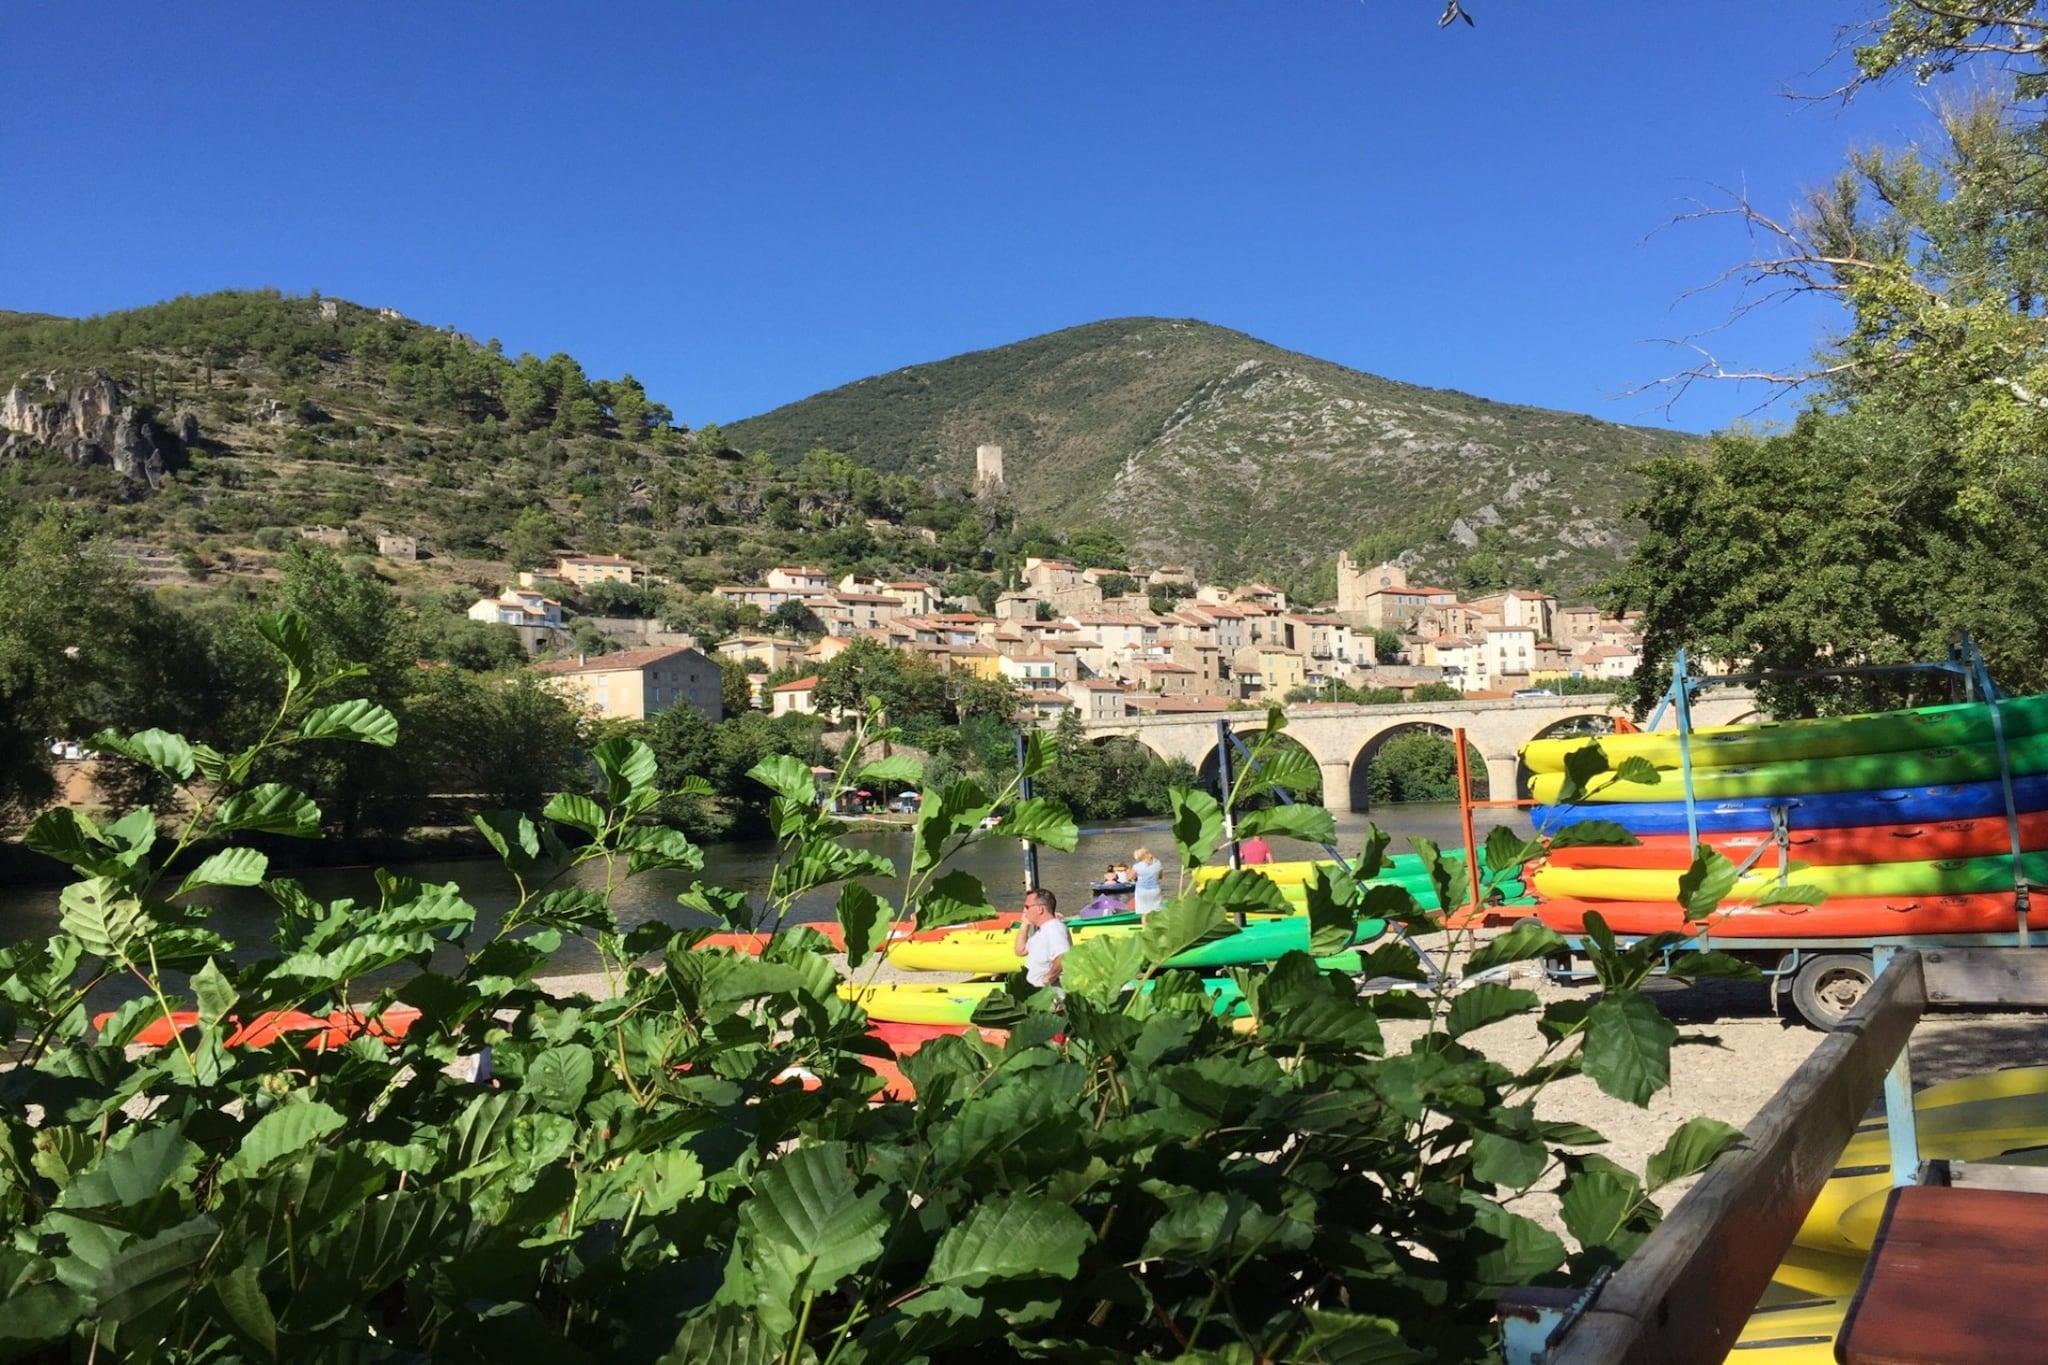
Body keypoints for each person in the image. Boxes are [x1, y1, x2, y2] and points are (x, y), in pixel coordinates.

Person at [1012, 888, 1069, 989]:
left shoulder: (1054, 928)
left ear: (1040, 909)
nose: (1024, 911)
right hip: (1036, 991)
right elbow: (1020, 951)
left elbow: (1064, 956)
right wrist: (1025, 924)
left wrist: (1047, 979)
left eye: (1027, 907)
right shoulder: (1041, 931)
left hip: (1049, 993)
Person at [1129, 847, 1164, 915]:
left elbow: (1130, 877)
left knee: (1144, 913)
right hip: (1155, 890)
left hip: (1142, 891)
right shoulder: (1158, 863)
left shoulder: (1136, 866)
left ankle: (1145, 922)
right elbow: (1160, 877)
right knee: (1156, 912)